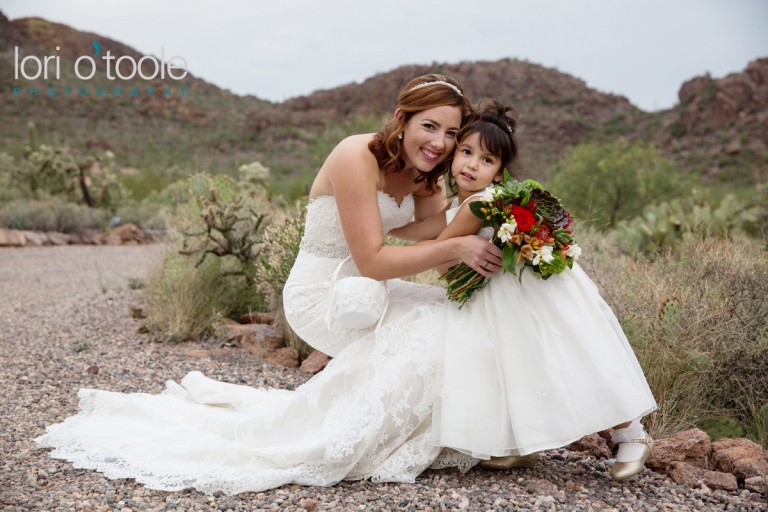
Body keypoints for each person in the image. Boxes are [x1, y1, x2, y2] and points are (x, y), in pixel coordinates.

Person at [35, 75, 504, 494]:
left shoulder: (429, 177)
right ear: (402, 119)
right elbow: (375, 259)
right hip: (321, 293)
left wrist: (490, 236)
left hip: (368, 289)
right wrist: (454, 247)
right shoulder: (355, 155)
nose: (440, 143)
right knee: (423, 329)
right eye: (429, 126)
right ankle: (375, 440)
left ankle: (471, 433)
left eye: (450, 133)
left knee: (452, 315)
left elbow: (438, 237)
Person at [390, 100, 658, 481]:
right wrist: (385, 228)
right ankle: (520, 445)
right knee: (514, 366)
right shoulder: (463, 203)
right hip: (505, 300)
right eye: (465, 152)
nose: (470, 164)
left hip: (529, 296)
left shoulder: (481, 205)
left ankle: (631, 432)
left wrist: (391, 252)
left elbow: (440, 257)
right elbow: (429, 227)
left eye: (486, 161)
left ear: (499, 174)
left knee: (570, 359)